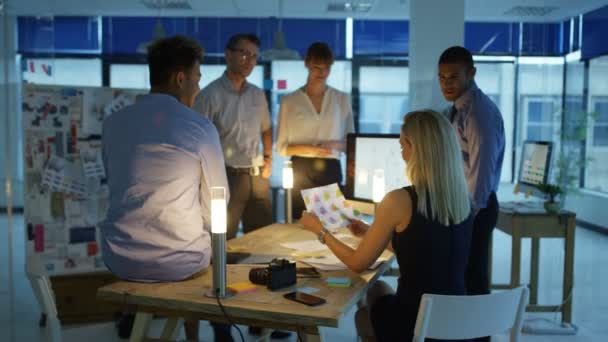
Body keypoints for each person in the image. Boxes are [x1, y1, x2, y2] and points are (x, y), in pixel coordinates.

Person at [301, 110, 474, 342]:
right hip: (458, 325)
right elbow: (427, 247)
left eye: (402, 145)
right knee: (379, 288)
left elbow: (357, 264)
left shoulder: (398, 200)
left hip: (414, 326)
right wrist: (368, 232)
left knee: (364, 311)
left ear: (415, 149)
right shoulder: (463, 199)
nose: (401, 152)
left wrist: (320, 231)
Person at [100, 35, 231, 342]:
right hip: (179, 261)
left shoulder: (113, 123)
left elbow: (114, 182)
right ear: (180, 78)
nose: (199, 88)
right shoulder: (198, 127)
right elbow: (217, 203)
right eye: (197, 79)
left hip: (119, 256)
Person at [437, 47, 505, 304]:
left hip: (476, 208)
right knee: (461, 278)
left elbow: (482, 172)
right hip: (462, 206)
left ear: (471, 73)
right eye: (441, 77)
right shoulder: (457, 110)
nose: (446, 84)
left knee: (473, 280)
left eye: (453, 77)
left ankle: (477, 335)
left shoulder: (478, 112)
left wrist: (466, 219)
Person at [194, 33, 273, 240]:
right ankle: (223, 273)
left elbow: (266, 128)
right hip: (226, 176)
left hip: (258, 176)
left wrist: (268, 158)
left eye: (254, 56)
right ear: (228, 55)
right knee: (223, 239)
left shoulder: (257, 93)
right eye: (245, 53)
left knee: (262, 239)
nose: (250, 61)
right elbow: (198, 139)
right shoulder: (209, 95)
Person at [276, 42, 354, 219]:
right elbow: (281, 147)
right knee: (299, 225)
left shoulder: (341, 99)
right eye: (317, 67)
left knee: (332, 226)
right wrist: (314, 149)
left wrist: (335, 144)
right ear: (307, 64)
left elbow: (351, 141)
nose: (322, 73)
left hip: (330, 168)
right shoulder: (290, 101)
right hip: (300, 170)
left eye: (327, 68)